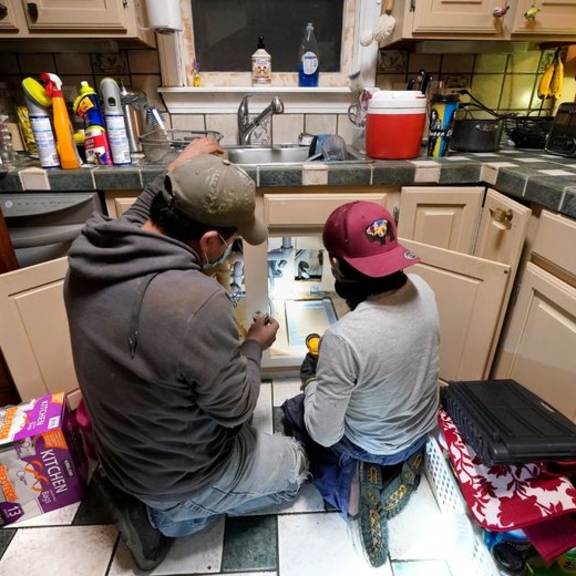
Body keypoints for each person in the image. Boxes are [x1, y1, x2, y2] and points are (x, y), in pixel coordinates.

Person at [63, 139, 308, 571]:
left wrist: (179, 167)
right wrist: (254, 344)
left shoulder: (90, 254)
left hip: (121, 450)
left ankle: (130, 488)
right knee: (293, 469)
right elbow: (234, 410)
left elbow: (141, 212)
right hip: (178, 477)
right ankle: (170, 517)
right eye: (232, 242)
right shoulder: (195, 301)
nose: (231, 249)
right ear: (210, 242)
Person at [282, 200, 440, 568]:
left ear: (336, 265)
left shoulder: (344, 337)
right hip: (419, 429)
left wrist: (314, 382)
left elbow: (324, 431)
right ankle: (403, 468)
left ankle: (354, 485)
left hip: (370, 445)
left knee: (296, 411)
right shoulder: (424, 289)